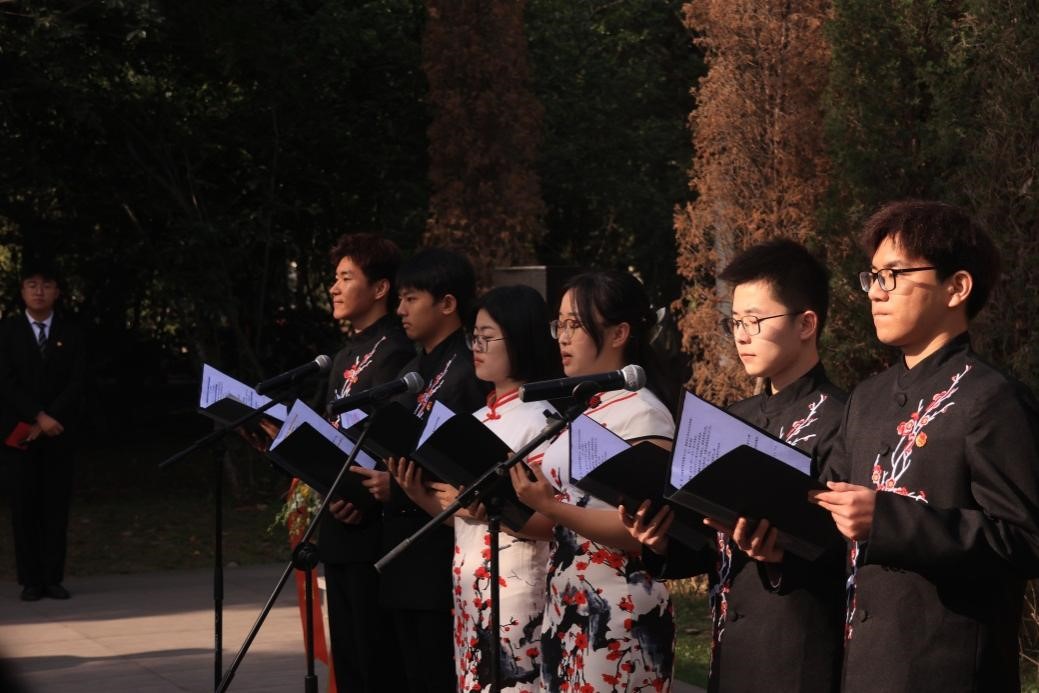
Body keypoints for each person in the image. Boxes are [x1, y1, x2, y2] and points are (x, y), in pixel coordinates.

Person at [811, 200, 1039, 691]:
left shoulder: (993, 399)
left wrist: (889, 520)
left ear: (957, 287)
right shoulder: (865, 398)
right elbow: (830, 505)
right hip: (862, 666)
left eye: (893, 275)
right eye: (873, 277)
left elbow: (1026, 540)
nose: (876, 292)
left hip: (948, 670)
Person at [620, 240, 847, 692]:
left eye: (755, 321)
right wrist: (661, 539)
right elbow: (710, 543)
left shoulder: (844, 419)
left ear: (806, 323)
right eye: (736, 321)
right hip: (730, 647)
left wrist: (780, 554)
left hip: (799, 649)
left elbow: (847, 553)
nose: (742, 336)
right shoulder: (731, 419)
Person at [390, 284, 564, 693]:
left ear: (520, 339)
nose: (477, 348)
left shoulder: (542, 419)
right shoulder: (478, 417)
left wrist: (482, 506)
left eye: (488, 337)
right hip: (470, 583)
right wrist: (421, 496)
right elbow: (467, 518)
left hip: (516, 587)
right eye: (475, 337)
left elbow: (551, 522)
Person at [510, 270, 677, 693]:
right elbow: (566, 518)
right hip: (568, 597)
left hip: (618, 606)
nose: (563, 338)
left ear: (620, 333)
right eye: (560, 325)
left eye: (576, 325)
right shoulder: (587, 408)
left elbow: (643, 526)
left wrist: (550, 505)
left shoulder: (643, 412)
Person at [352, 247, 488, 693]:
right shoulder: (412, 369)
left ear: (447, 303)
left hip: (440, 543)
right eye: (400, 299)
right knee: (408, 670)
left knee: (437, 671)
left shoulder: (468, 370)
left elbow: (469, 461)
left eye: (411, 299)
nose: (401, 310)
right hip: (400, 545)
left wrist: (403, 483)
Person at [316, 233, 414, 692]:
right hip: (338, 520)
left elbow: (390, 436)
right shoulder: (342, 355)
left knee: (377, 662)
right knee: (348, 662)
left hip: (373, 523)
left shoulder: (397, 350)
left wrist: (361, 497)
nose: (334, 288)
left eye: (345, 277)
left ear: (379, 288)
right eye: (334, 278)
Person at [0, 261, 86, 601]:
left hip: (58, 431)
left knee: (55, 505)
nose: (39, 291)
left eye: (46, 285)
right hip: (19, 431)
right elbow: (5, 381)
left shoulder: (71, 332)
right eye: (32, 285)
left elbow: (78, 380)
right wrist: (36, 415)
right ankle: (30, 579)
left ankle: (52, 577)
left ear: (57, 292)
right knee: (23, 506)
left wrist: (50, 418)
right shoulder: (7, 331)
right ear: (22, 291)